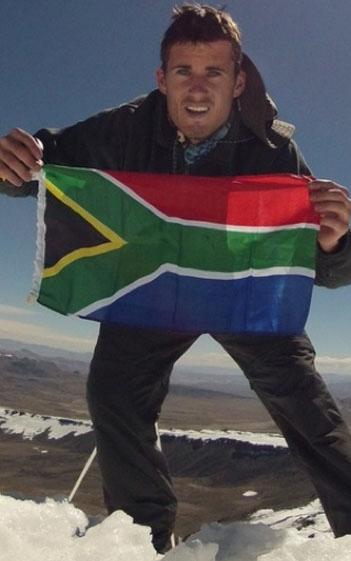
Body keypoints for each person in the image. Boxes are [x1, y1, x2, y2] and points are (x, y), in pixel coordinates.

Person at [1, 4, 351, 553]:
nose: (197, 87)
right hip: (157, 287)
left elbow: (317, 266)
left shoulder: (273, 149)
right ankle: (143, 538)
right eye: (183, 71)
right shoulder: (125, 127)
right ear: (161, 79)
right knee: (113, 390)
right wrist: (15, 164)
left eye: (213, 72)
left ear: (237, 83)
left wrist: (335, 241)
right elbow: (49, 166)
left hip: (243, 291)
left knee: (305, 402)